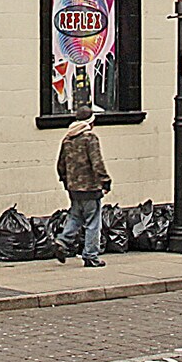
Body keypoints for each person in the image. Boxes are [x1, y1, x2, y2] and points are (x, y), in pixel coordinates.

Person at [53, 106, 111, 267]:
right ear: (90, 122)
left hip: (73, 187)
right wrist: (105, 181)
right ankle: (91, 256)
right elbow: (96, 162)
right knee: (93, 222)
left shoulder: (67, 139)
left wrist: (66, 181)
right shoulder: (90, 138)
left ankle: (63, 240)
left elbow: (60, 164)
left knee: (75, 216)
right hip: (90, 187)